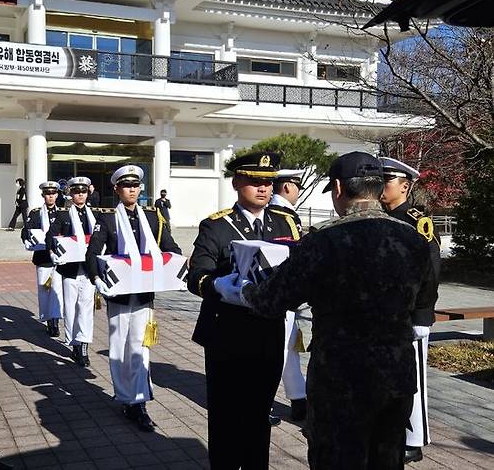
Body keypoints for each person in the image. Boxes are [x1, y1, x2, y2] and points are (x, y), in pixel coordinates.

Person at [215, 152, 439, 469]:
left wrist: (236, 289)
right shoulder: (413, 239)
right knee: (385, 460)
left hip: (341, 379)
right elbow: (425, 297)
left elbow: (272, 300)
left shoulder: (325, 240)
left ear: (337, 188)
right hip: (395, 377)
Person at [187, 152, 301, 469]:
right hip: (227, 333)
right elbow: (196, 275)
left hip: (268, 331)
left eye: (267, 182)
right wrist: (219, 286)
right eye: (254, 181)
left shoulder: (285, 222)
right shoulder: (216, 226)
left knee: (259, 413)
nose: (262, 188)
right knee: (225, 417)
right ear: (237, 182)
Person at [85, 165, 181, 432]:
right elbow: (92, 254)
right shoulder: (106, 219)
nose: (132, 190)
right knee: (119, 347)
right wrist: (97, 279)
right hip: (119, 294)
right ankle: (126, 394)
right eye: (127, 186)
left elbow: (169, 247)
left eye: (136, 186)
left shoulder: (152, 217)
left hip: (144, 295)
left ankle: (137, 401)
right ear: (116, 189)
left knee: (140, 348)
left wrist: (175, 263)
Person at [380, 156, 441, 464]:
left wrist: (422, 313)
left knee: (414, 378)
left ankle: (415, 438)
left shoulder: (417, 221)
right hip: (385, 314)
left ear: (404, 186)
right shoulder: (379, 218)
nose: (381, 187)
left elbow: (430, 271)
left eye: (387, 181)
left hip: (410, 314)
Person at [46, 176, 97, 367]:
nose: (80, 195)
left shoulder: (96, 214)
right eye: (76, 192)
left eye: (83, 192)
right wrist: (54, 252)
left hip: (89, 270)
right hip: (70, 270)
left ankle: (82, 345)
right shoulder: (63, 215)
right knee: (71, 307)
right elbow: (51, 235)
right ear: (71, 194)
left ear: (88, 193)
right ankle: (73, 339)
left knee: (85, 308)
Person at [270, 168, 308, 422]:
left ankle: (299, 398)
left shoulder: (284, 214)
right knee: (278, 350)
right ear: (287, 187)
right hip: (280, 293)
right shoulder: (283, 215)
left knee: (287, 349)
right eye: (297, 187)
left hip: (278, 293)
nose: (298, 192)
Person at [22, 181, 63, 337]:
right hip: (43, 258)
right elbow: (26, 231)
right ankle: (48, 319)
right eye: (47, 193)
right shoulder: (35, 213)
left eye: (53, 193)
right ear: (43, 195)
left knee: (57, 291)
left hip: (60, 259)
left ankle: (55, 321)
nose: (50, 196)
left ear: (57, 195)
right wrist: (27, 239)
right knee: (45, 292)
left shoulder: (64, 213)